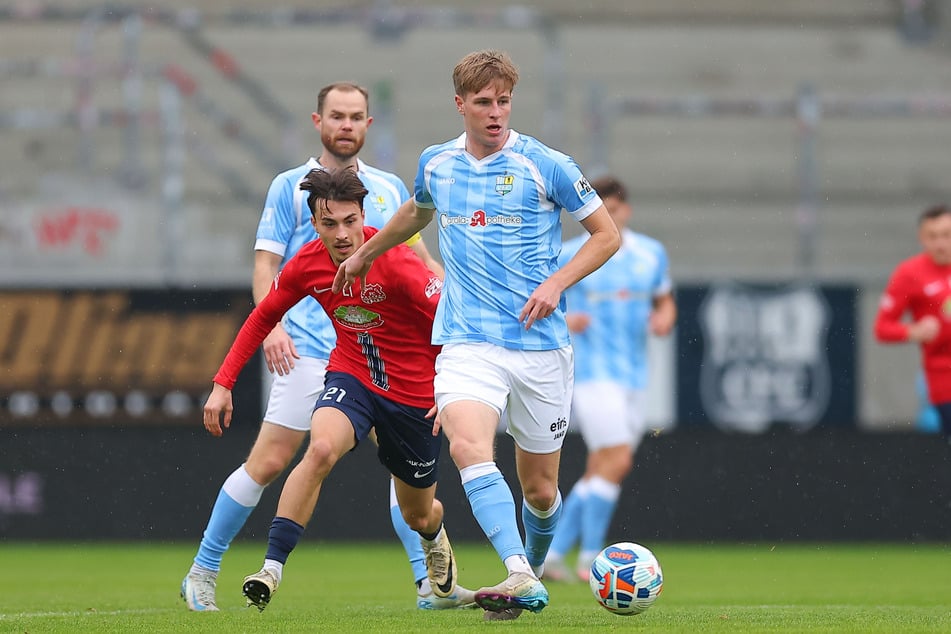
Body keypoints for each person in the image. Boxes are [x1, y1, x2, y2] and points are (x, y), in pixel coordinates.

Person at [333, 49, 621, 620]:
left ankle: (528, 571)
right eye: (484, 102)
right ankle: (518, 571)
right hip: (468, 341)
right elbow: (418, 211)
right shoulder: (437, 163)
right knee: (467, 446)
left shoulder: (547, 164)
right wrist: (366, 251)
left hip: (540, 346)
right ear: (460, 104)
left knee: (540, 490)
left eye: (503, 101)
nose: (495, 113)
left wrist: (557, 282)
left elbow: (606, 235)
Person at [180, 82, 471, 612]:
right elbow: (267, 271)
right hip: (318, 351)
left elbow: (423, 268)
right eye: (337, 115)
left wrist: (447, 368)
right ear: (318, 121)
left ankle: (429, 580)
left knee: (412, 496)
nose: (346, 125)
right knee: (284, 456)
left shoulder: (389, 192)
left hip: (403, 366)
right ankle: (213, 569)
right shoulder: (290, 188)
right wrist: (263, 340)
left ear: (368, 125)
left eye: (356, 116)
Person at [542, 175, 677, 582]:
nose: (608, 218)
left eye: (613, 211)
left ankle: (553, 554)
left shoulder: (650, 254)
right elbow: (543, 301)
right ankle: (591, 560)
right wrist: (565, 318)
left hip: (634, 376)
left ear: (626, 210)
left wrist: (664, 318)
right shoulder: (570, 254)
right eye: (601, 212)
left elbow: (664, 300)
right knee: (616, 460)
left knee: (602, 468)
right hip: (591, 374)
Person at [874, 203, 951, 442]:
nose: (940, 243)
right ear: (921, 238)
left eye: (946, 235)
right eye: (932, 236)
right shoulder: (910, 273)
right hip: (944, 376)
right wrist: (914, 331)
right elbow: (882, 328)